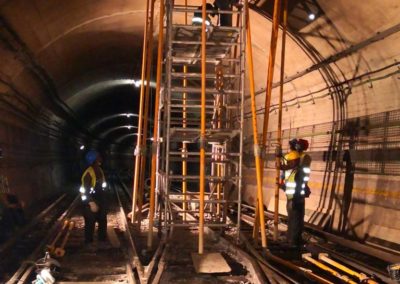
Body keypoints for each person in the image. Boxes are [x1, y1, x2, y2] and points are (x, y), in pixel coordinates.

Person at [280, 138, 311, 248]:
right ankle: (294, 241)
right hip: (297, 192)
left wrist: (281, 182)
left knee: (292, 217)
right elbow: (300, 172)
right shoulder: (303, 157)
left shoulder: (288, 156)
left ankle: (291, 239)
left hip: (290, 190)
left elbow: (284, 172)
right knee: (297, 217)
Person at [80, 150, 108, 243]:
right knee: (90, 222)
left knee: (103, 220)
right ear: (94, 160)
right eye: (98, 157)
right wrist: (91, 202)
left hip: (100, 199)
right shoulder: (88, 174)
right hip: (90, 201)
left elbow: (102, 186)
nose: (100, 158)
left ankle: (102, 240)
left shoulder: (99, 170)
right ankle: (88, 242)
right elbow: (84, 191)